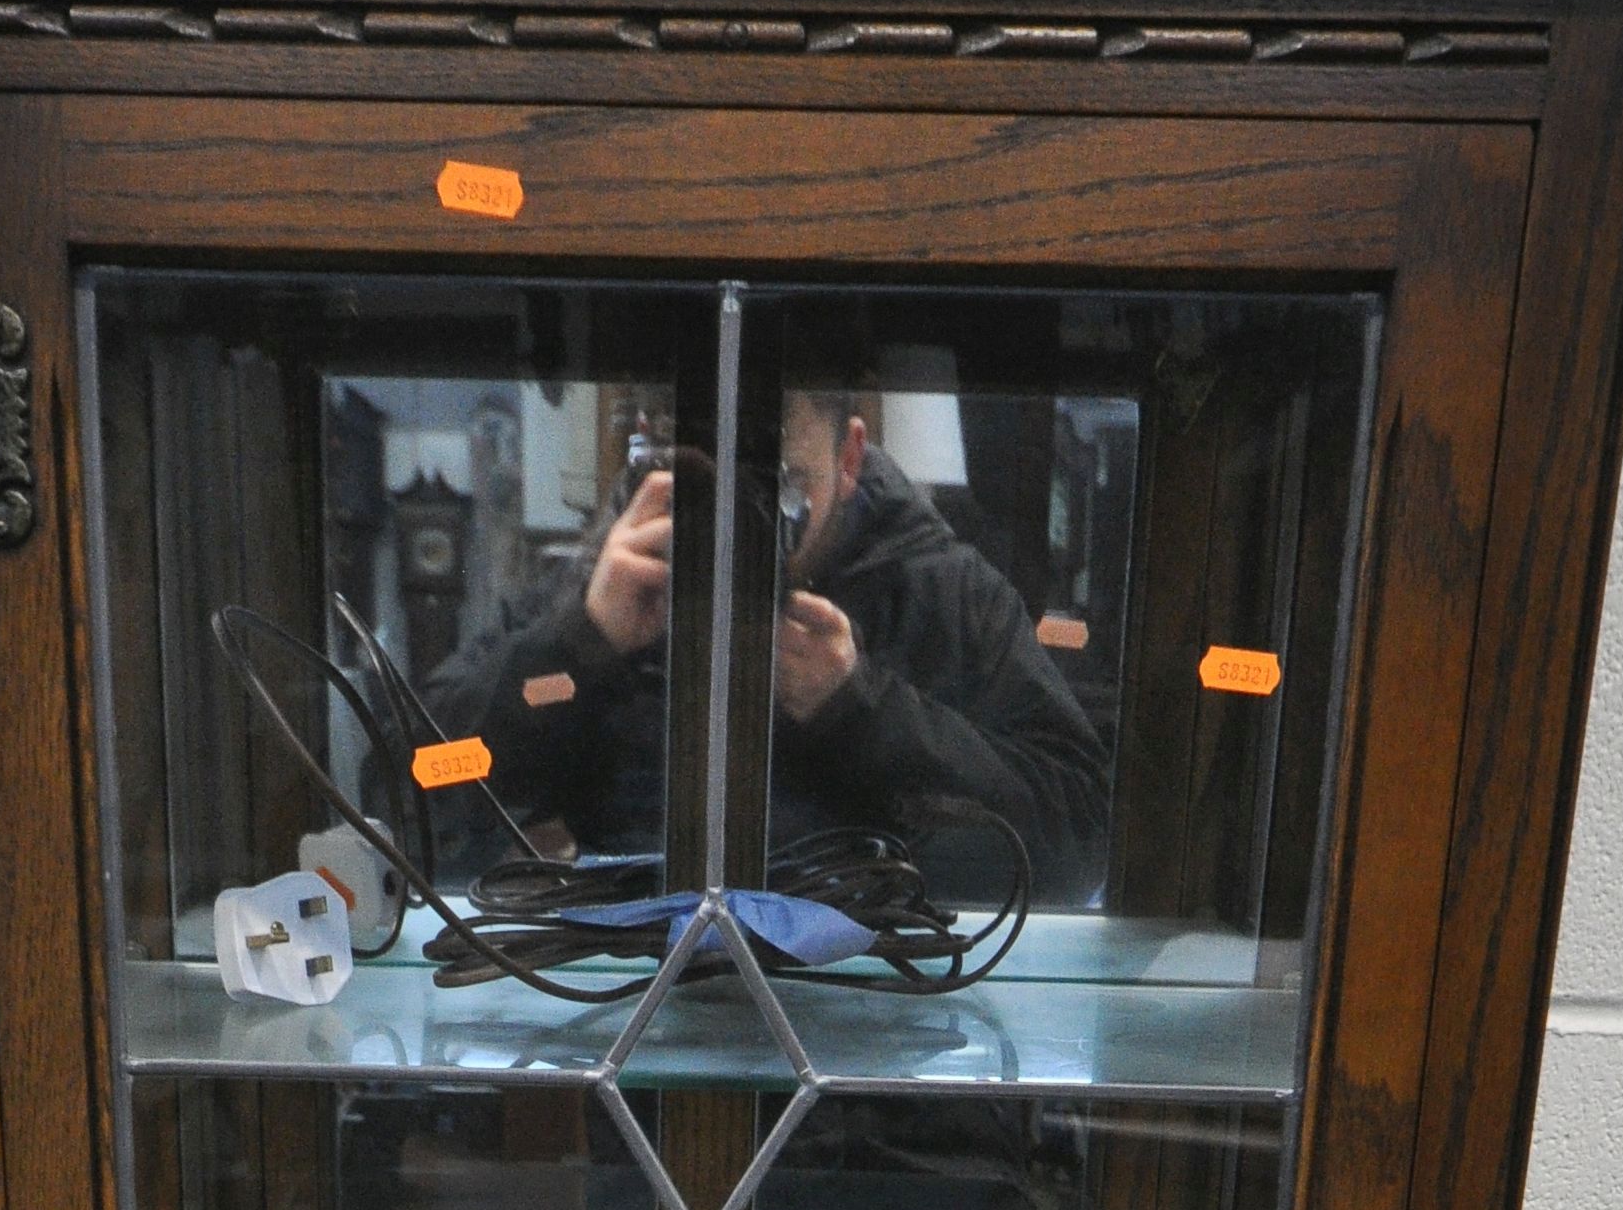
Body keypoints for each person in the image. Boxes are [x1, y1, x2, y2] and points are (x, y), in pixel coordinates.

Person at [425, 387, 1113, 910]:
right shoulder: (599, 584)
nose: (739, 525)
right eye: (711, 486)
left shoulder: (944, 596)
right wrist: (579, 645)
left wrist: (860, 708)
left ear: (848, 458)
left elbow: (1076, 849)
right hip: (632, 1011)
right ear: (654, 454)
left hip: (882, 1033)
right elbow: (426, 783)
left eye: (777, 487)